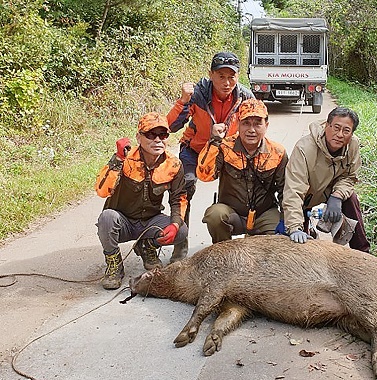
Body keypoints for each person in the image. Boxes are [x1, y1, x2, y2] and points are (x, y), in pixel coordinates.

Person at [166, 52, 254, 258]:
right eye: (221, 76)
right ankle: (180, 247)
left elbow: (258, 126)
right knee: (183, 190)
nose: (226, 82)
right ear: (211, 75)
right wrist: (183, 101)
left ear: (238, 76)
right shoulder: (197, 95)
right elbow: (170, 126)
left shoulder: (246, 97)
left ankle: (233, 244)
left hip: (229, 153)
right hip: (195, 150)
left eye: (231, 77)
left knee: (244, 191)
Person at [95, 112, 188, 290]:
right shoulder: (125, 159)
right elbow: (101, 190)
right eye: (151, 135)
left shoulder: (173, 164)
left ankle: (146, 246)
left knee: (182, 230)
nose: (157, 140)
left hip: (150, 222)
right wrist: (117, 160)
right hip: (123, 222)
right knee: (106, 218)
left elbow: (179, 199)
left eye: (163, 135)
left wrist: (175, 224)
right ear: (139, 137)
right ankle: (114, 264)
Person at [196, 98, 287, 243]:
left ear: (266, 125)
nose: (251, 130)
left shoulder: (277, 152)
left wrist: (285, 220)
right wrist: (214, 141)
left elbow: (285, 191)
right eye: (246, 123)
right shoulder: (224, 147)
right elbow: (204, 175)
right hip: (232, 213)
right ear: (237, 124)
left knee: (279, 240)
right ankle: (223, 253)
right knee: (214, 215)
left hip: (264, 213)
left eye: (258, 124)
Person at [282, 106, 371, 253]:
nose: (340, 134)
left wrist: (337, 196)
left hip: (331, 191)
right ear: (326, 126)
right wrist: (294, 228)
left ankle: (363, 252)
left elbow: (350, 176)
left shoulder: (353, 145)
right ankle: (305, 229)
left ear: (352, 133)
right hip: (306, 195)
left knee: (351, 199)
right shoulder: (304, 148)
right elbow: (294, 189)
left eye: (346, 131)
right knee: (298, 244)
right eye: (336, 128)